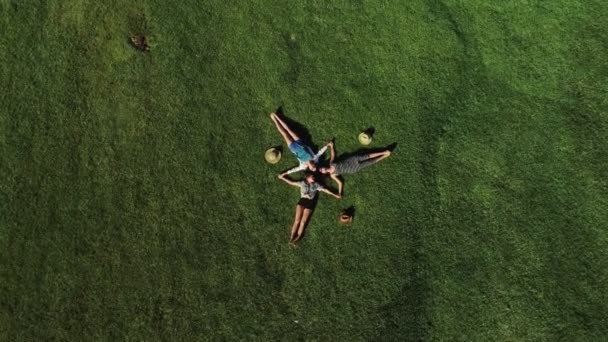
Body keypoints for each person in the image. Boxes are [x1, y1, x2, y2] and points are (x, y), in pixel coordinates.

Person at [278, 170, 341, 244]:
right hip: (302, 202)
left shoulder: (316, 185)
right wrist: (282, 178)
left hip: (310, 203)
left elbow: (325, 189)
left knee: (303, 222)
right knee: (297, 221)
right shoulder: (302, 183)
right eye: (312, 176)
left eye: (314, 176)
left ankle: (297, 238)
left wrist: (335, 194)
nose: (313, 177)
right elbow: (291, 182)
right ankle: (291, 237)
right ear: (307, 177)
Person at [319, 141, 392, 195]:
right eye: (322, 171)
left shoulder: (331, 163)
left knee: (367, 156)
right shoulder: (332, 175)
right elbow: (340, 183)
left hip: (352, 160)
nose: (323, 169)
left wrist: (331, 146)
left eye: (321, 168)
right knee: (370, 162)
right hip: (353, 169)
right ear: (324, 173)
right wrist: (339, 193)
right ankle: (384, 156)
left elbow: (333, 155)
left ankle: (384, 152)